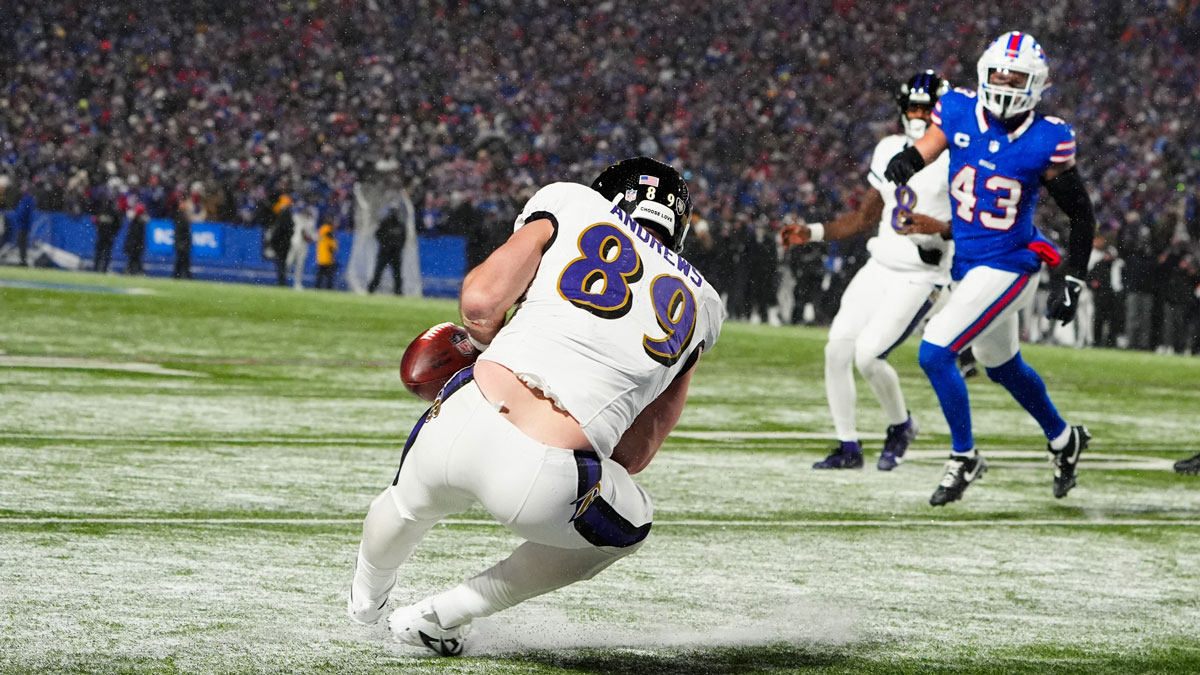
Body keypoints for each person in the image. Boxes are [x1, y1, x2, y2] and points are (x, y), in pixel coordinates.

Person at [346, 157, 724, 656]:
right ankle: (444, 615)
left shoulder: (570, 202)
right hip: (545, 473)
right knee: (630, 524)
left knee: (405, 502)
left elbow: (480, 306)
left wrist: (489, 346)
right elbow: (635, 452)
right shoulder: (703, 302)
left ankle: (364, 604)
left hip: (465, 413)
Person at [884, 31, 1095, 505]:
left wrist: (1074, 278)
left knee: (935, 351)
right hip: (971, 262)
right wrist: (909, 160)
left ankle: (965, 456)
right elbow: (932, 144)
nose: (1004, 81)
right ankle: (1065, 440)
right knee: (1003, 366)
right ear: (983, 71)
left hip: (1012, 262)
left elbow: (1081, 214)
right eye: (999, 72)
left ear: (1035, 83)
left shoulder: (1048, 138)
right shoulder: (958, 108)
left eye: (1015, 76)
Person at [784, 71, 953, 471]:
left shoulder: (959, 158)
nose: (918, 114)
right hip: (880, 265)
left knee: (869, 357)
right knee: (836, 349)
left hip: (922, 274)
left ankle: (901, 425)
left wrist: (941, 229)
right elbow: (864, 217)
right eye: (912, 106)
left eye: (926, 108)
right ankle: (848, 446)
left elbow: (980, 223)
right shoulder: (890, 149)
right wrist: (812, 232)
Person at [367, 204, 407, 294]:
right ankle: (371, 290)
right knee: (378, 273)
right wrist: (385, 245)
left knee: (397, 275)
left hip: (395, 253)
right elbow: (377, 234)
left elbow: (404, 238)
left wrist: (398, 246)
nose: (394, 214)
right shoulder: (385, 223)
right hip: (384, 252)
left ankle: (398, 291)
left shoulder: (400, 225)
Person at [171, 196, 192, 279]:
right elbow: (179, 231)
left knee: (183, 260)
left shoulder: (183, 215)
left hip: (183, 241)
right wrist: (180, 242)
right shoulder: (179, 215)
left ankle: (180, 274)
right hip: (182, 242)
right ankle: (180, 274)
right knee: (181, 259)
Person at [123, 204, 148, 275]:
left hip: (135, 243)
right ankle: (136, 271)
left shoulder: (138, 222)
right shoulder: (139, 222)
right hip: (135, 244)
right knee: (134, 259)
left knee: (134, 259)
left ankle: (133, 271)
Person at [314, 223, 338, 289]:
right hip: (327, 260)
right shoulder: (329, 233)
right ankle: (328, 288)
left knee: (320, 277)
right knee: (329, 277)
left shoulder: (322, 232)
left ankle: (317, 288)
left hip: (321, 259)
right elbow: (334, 248)